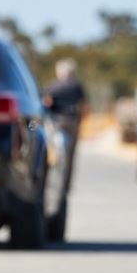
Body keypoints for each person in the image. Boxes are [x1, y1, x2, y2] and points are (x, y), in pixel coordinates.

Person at [43, 58, 88, 191]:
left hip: (55, 122)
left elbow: (45, 104)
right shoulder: (77, 86)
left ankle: (50, 182)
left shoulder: (51, 86)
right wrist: (81, 121)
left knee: (52, 152)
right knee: (70, 155)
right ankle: (65, 186)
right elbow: (85, 107)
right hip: (72, 121)